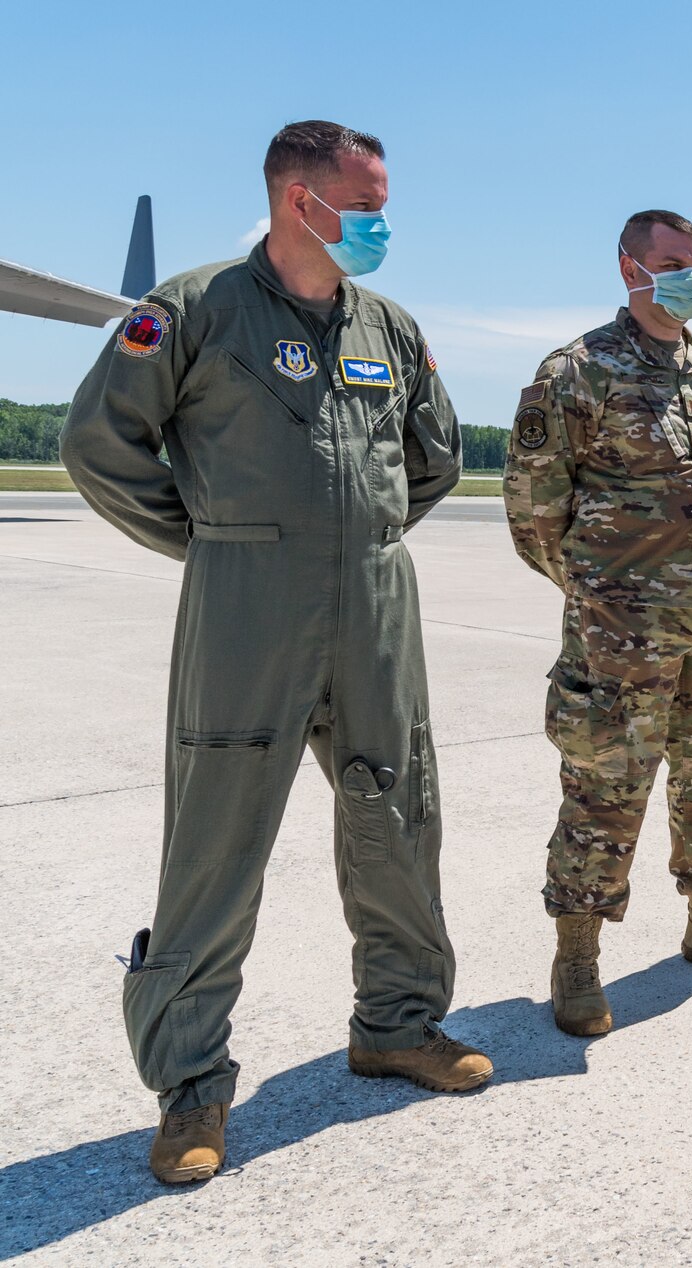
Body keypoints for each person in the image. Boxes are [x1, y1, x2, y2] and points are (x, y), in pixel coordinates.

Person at [61, 120, 490, 1186]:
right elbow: (99, 445)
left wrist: (360, 540)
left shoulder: (386, 323)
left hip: (375, 607)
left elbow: (435, 455)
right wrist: (217, 542)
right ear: (301, 200)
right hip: (248, 607)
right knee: (216, 839)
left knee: (397, 813)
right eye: (368, 202)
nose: (382, 222)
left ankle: (396, 1022)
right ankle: (191, 1085)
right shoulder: (197, 310)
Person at [504, 210, 692, 1038]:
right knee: (605, 785)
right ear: (630, 266)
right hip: (620, 629)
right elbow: (532, 510)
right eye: (674, 261)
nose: (691, 276)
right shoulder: (577, 371)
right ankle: (579, 952)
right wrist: (603, 595)